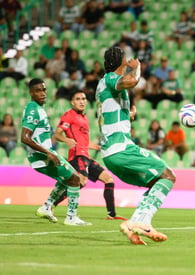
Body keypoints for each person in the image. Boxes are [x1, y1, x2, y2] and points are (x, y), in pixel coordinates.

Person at [96, 47, 175, 245]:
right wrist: (137, 68)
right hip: (121, 148)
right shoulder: (110, 79)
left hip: (110, 154)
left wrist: (127, 115)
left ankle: (134, 224)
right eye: (126, 58)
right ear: (121, 61)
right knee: (168, 175)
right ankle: (143, 222)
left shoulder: (103, 85)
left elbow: (107, 112)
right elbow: (132, 81)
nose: (128, 60)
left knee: (156, 181)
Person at [21, 78, 91, 226]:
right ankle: (71, 217)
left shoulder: (39, 109)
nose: (43, 93)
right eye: (38, 91)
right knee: (75, 179)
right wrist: (48, 153)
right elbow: (25, 137)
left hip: (46, 154)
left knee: (68, 179)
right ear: (31, 93)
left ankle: (47, 207)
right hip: (43, 156)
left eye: (44, 90)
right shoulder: (33, 109)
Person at [53, 91, 126, 220]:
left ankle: (112, 215)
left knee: (109, 180)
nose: (81, 101)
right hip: (77, 156)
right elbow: (57, 134)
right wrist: (66, 140)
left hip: (85, 156)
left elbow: (84, 142)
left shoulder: (85, 118)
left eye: (84, 99)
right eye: (78, 99)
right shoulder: (69, 115)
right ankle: (51, 205)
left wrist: (98, 147)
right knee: (81, 182)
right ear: (72, 102)